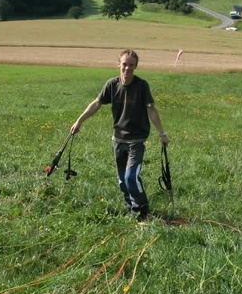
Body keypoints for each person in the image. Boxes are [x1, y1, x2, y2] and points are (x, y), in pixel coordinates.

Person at [71, 49, 170, 222]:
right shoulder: (112, 85)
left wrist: (162, 133)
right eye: (125, 64)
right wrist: (79, 121)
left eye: (131, 65)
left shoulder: (141, 86)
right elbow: (96, 103)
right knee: (122, 181)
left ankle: (142, 210)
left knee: (131, 177)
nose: (127, 68)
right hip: (118, 140)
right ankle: (130, 207)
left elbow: (151, 109)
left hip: (136, 140)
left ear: (136, 66)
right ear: (119, 64)